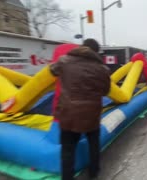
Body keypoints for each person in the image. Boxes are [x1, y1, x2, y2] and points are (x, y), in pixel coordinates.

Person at [49, 39, 111, 180]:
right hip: (92, 114)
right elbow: (106, 91)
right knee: (93, 144)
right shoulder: (102, 69)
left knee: (68, 150)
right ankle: (94, 172)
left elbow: (52, 70)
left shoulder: (64, 60)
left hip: (68, 113)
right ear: (96, 52)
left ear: (82, 46)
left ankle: (67, 177)